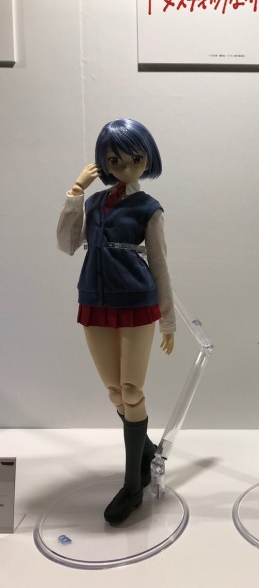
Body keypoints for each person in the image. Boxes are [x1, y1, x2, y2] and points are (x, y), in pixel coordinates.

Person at [57, 118, 176, 524]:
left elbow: (160, 264)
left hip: (138, 302)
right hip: (94, 298)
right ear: (104, 162)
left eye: (134, 159)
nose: (125, 167)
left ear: (147, 159)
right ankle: (146, 452)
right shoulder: (92, 203)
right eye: (114, 161)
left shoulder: (149, 208)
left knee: (131, 389)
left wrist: (168, 321)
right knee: (113, 391)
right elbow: (67, 244)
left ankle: (132, 486)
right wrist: (75, 194)